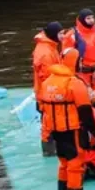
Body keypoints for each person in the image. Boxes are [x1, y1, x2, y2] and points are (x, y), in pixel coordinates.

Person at [38, 48, 95, 190]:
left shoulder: (47, 82)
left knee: (63, 163)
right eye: (79, 61)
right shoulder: (74, 83)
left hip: (55, 131)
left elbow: (41, 108)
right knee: (75, 166)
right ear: (74, 62)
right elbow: (86, 112)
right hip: (73, 130)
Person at [61, 9, 95, 107]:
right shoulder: (72, 35)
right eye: (88, 18)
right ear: (82, 20)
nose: (91, 20)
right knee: (83, 100)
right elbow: (66, 56)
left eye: (92, 17)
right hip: (81, 73)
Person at [33, 21, 64, 156]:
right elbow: (47, 78)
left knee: (49, 124)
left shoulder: (48, 46)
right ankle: (49, 151)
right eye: (61, 33)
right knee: (49, 126)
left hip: (45, 93)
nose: (63, 36)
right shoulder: (46, 53)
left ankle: (51, 150)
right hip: (47, 96)